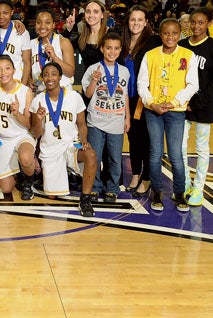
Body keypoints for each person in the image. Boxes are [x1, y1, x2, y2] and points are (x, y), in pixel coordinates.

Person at [137, 18, 199, 212]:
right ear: (160, 34)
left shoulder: (189, 55)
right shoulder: (150, 55)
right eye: (166, 33)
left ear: (180, 34)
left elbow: (193, 85)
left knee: (176, 155)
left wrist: (173, 102)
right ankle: (157, 192)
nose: (170, 37)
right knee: (155, 153)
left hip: (176, 112)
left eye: (174, 33)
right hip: (153, 111)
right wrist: (152, 103)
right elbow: (142, 84)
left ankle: (179, 193)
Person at [29, 62, 97, 217]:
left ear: (60, 77)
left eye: (54, 74)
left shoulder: (74, 97)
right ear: (43, 78)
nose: (50, 78)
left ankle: (85, 199)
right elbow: (36, 133)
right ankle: (68, 173)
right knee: (53, 196)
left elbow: (81, 124)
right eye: (46, 74)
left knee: (91, 154)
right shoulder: (37, 100)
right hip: (50, 150)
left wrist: (84, 140)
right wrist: (38, 119)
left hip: (70, 145)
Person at [179, 8, 213, 206]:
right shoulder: (181, 45)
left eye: (201, 23)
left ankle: (199, 188)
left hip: (204, 105)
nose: (196, 26)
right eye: (193, 22)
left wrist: (198, 102)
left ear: (208, 24)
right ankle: (185, 184)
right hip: (182, 104)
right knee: (179, 147)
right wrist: (184, 101)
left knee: (201, 148)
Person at [81, 33, 130, 203]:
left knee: (115, 158)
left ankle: (112, 188)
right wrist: (94, 80)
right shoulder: (93, 69)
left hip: (116, 120)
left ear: (120, 50)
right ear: (102, 49)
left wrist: (127, 118)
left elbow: (125, 97)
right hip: (96, 121)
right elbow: (87, 94)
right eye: (108, 48)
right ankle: (94, 187)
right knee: (95, 156)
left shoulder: (124, 71)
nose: (112, 51)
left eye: (116, 48)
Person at [120, 5, 160, 195]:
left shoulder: (153, 42)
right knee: (133, 137)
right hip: (126, 97)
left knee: (145, 139)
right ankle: (135, 173)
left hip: (144, 98)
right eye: (132, 19)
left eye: (139, 20)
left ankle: (146, 177)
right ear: (128, 22)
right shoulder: (123, 43)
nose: (135, 23)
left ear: (146, 23)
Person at [0, 55, 35, 200]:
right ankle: (17, 173)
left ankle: (28, 182)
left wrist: (17, 113)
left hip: (22, 136)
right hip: (3, 139)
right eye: (0, 69)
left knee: (26, 158)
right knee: (6, 188)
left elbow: (29, 125)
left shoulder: (25, 91)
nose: (3, 73)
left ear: (14, 70)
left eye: (7, 68)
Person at [30, 4, 75, 92]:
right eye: (39, 22)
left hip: (63, 92)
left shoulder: (63, 42)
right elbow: (26, 70)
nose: (42, 26)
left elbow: (70, 72)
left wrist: (54, 57)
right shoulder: (30, 44)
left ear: (53, 25)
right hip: (40, 93)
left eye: (47, 22)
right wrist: (29, 81)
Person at [64, 0, 109, 72]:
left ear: (102, 15)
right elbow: (62, 46)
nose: (91, 15)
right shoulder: (82, 38)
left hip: (109, 80)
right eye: (88, 11)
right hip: (88, 81)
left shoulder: (111, 35)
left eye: (95, 12)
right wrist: (68, 29)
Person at [0, 0, 31, 85]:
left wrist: (23, 88)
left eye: (5, 13)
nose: (1, 16)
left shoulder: (21, 31)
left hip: (15, 82)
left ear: (12, 12)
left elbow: (27, 62)